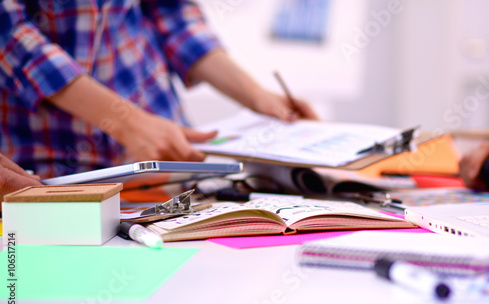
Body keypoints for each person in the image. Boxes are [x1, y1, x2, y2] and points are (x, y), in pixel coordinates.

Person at [0, 0, 317, 180]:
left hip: (164, 142)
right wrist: (129, 123)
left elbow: (172, 13)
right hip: (51, 159)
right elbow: (12, 37)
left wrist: (256, 95)